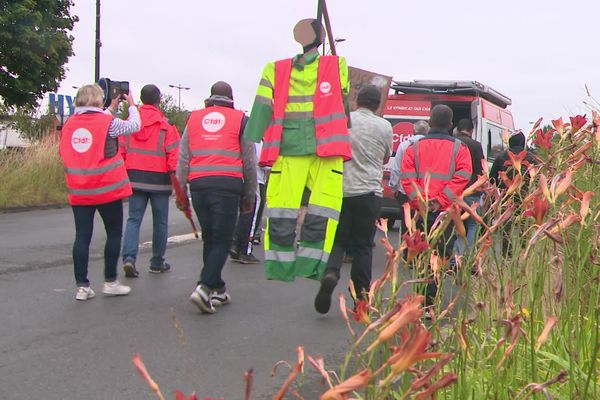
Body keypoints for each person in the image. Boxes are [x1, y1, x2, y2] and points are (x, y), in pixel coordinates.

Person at [244, 18, 352, 282]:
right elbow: (344, 96)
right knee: (324, 210)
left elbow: (261, 106)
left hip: (287, 148)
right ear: (322, 38)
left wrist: (254, 140)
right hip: (326, 148)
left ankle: (280, 268)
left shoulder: (274, 69)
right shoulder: (336, 64)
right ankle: (313, 267)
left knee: (281, 209)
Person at [176, 81, 257, 314]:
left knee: (210, 238)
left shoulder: (194, 119)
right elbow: (249, 161)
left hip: (199, 184)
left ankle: (217, 287)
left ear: (210, 98)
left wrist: (180, 191)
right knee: (222, 240)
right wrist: (249, 195)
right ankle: (203, 287)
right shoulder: (240, 120)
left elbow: (183, 158)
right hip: (228, 185)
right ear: (232, 100)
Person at [314, 85, 393, 314]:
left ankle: (331, 272)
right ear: (378, 105)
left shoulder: (342, 121)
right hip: (369, 192)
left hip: (340, 189)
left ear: (356, 101)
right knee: (363, 246)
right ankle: (361, 297)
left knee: (338, 240)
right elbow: (387, 155)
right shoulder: (384, 126)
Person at [59, 84, 140, 301]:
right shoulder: (108, 123)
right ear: (98, 101)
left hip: (79, 189)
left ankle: (82, 287)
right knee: (113, 234)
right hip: (107, 189)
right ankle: (110, 281)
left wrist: (111, 108)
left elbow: (91, 128)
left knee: (82, 237)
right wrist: (131, 105)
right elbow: (134, 126)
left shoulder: (69, 124)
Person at [399, 105, 472, 306]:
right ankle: (428, 299)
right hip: (445, 213)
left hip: (420, 213)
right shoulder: (460, 149)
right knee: (439, 254)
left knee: (421, 253)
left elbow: (407, 178)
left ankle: (422, 297)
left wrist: (420, 202)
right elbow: (463, 176)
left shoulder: (413, 147)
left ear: (429, 122)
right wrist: (440, 200)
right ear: (451, 125)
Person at [119, 84, 180, 277]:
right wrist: (175, 180)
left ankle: (129, 258)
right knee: (160, 222)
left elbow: (120, 151)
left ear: (141, 99)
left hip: (134, 177)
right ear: (158, 100)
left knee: (133, 219)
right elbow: (174, 156)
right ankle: (157, 262)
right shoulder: (166, 126)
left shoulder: (129, 123)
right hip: (159, 180)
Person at [452, 118, 484, 260]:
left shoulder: (452, 142)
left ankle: (453, 259)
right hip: (472, 190)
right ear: (471, 130)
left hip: (454, 190)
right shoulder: (476, 145)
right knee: (472, 226)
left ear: (457, 129)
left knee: (454, 225)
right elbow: (481, 168)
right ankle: (468, 258)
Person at [389, 120, 429, 234]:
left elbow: (397, 167)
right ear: (427, 131)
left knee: (406, 222)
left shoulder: (404, 145)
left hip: (405, 190)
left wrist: (394, 186)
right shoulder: (429, 145)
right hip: (423, 192)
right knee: (422, 223)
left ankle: (405, 247)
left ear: (413, 131)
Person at [229, 142, 263, 264]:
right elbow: (259, 161)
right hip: (254, 179)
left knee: (240, 213)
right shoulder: (255, 135)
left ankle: (234, 244)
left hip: (237, 177)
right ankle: (244, 249)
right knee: (251, 214)